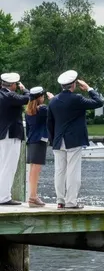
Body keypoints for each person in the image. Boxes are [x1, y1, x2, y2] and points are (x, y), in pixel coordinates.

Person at [47, 70, 104, 209]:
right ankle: (71, 202)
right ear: (73, 85)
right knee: (73, 171)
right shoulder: (77, 99)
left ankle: (60, 200)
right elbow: (98, 102)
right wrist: (89, 88)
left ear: (62, 85)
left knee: (59, 171)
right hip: (73, 140)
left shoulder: (53, 101)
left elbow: (50, 123)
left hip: (58, 140)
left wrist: (53, 140)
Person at [0, 72, 29, 206]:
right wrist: (24, 89)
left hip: (2, 134)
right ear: (12, 85)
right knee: (9, 166)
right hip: (10, 134)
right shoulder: (10, 95)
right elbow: (27, 99)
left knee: (2, 165)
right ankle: (4, 197)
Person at [25, 86, 54, 207]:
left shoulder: (28, 110)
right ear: (39, 98)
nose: (44, 99)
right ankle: (33, 197)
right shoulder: (42, 109)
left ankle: (33, 195)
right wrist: (53, 99)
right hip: (39, 141)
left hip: (31, 140)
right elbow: (54, 111)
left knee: (32, 169)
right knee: (36, 171)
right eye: (42, 96)